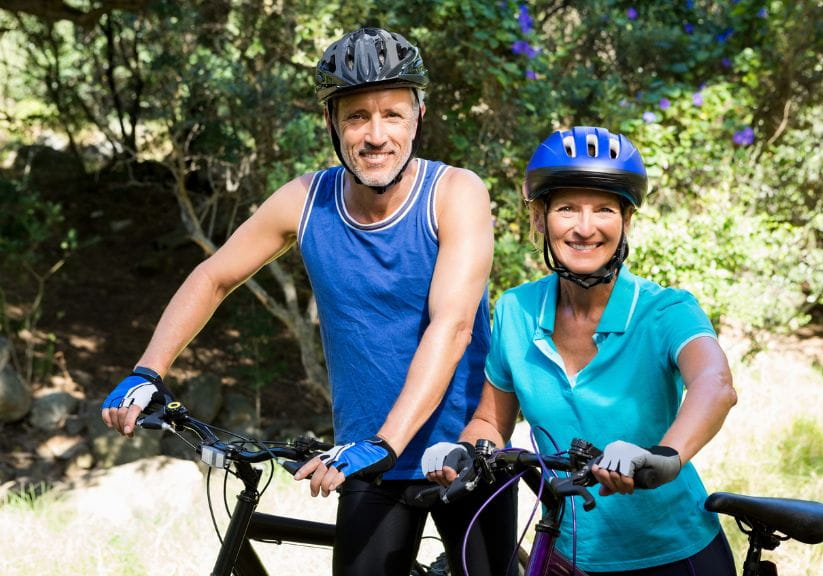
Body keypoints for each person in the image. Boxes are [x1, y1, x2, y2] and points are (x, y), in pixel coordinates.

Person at [100, 27, 517, 576]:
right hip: (365, 460)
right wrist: (147, 370)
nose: (375, 135)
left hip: (463, 451)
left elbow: (454, 326)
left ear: (418, 117)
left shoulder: (454, 192)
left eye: (392, 114)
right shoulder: (306, 200)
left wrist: (386, 442)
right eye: (355, 117)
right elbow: (213, 277)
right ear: (332, 124)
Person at [422, 126, 739, 575]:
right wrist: (462, 451)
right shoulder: (515, 309)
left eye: (604, 210)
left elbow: (715, 384)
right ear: (540, 219)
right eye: (567, 208)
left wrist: (665, 456)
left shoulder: (664, 309)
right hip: (567, 554)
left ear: (626, 221)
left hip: (674, 552)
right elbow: (492, 420)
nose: (585, 228)